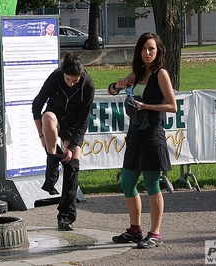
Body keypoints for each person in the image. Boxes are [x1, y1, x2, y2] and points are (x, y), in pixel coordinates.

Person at [107, 33, 177, 248]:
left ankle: (155, 233)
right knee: (127, 183)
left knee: (151, 184)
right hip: (136, 133)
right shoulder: (138, 73)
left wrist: (147, 106)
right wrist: (116, 86)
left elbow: (172, 106)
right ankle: (134, 230)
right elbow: (111, 90)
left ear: (158, 52)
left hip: (153, 133)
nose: (147, 53)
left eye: (151, 49)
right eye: (144, 49)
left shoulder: (160, 74)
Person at [32, 52, 95, 231]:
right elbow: (37, 106)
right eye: (68, 79)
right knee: (48, 118)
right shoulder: (55, 77)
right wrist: (42, 137)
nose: (71, 83)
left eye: (75, 80)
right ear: (63, 73)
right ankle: (52, 164)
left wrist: (72, 145)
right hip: (55, 116)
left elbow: (84, 120)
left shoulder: (87, 84)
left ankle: (66, 216)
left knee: (72, 165)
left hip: (74, 123)